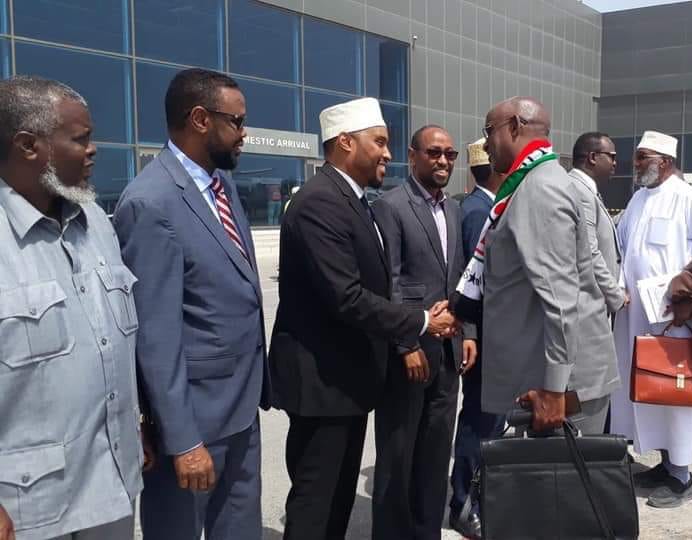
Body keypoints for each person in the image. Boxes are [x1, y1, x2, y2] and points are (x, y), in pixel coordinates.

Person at [268, 97, 457, 540]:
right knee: (316, 507)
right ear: (346, 143)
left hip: (346, 383)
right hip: (322, 384)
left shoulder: (352, 200)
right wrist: (420, 323)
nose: (387, 154)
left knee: (336, 503)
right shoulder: (319, 203)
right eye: (380, 142)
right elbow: (347, 297)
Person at [113, 68, 270, 540]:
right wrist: (182, 441)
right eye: (236, 122)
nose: (244, 134)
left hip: (239, 411)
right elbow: (155, 336)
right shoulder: (150, 202)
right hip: (192, 425)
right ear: (200, 119)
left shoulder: (222, 188)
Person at [0, 76, 147, 540]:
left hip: (112, 486)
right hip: (29, 510)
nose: (93, 150)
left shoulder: (96, 223)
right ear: (28, 146)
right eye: (80, 139)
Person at [453, 96, 620, 436]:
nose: (485, 144)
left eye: (489, 131)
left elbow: (560, 296)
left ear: (514, 126)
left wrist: (555, 388)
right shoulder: (532, 181)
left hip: (563, 387)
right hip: (545, 376)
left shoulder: (541, 188)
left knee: (564, 472)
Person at [610, 131, 692, 508]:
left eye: (641, 158)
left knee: (675, 395)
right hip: (635, 318)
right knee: (648, 393)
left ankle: (682, 476)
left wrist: (689, 304)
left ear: (663, 161)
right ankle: (664, 464)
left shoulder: (689, 200)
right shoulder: (638, 199)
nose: (635, 165)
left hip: (673, 321)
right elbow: (622, 249)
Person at [370, 125, 475, 540]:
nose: (443, 161)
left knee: (434, 456)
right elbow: (389, 283)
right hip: (410, 354)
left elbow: (462, 278)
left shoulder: (454, 209)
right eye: (434, 153)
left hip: (448, 354)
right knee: (398, 456)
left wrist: (468, 332)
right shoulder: (391, 206)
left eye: (450, 154)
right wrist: (405, 344)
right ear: (412, 156)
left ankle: (426, 531)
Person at [448, 138, 507, 539]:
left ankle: (478, 496)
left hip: (492, 336)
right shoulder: (477, 212)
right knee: (479, 421)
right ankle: (463, 502)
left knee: (491, 421)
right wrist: (472, 334)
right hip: (482, 338)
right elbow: (470, 283)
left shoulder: (485, 206)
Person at [569, 131, 627, 315]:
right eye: (612, 156)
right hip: (589, 305)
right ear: (593, 157)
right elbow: (589, 251)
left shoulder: (584, 189)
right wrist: (616, 295)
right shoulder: (580, 192)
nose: (615, 163)